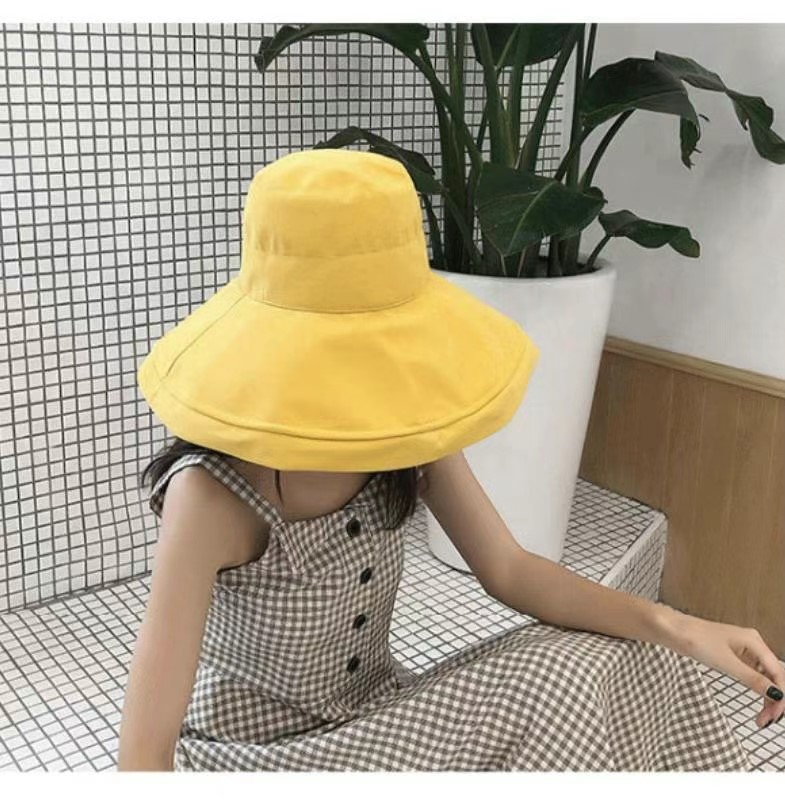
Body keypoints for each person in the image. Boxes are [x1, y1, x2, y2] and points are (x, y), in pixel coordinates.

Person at [118, 148, 782, 772]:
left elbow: (511, 570)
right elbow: (143, 752)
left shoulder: (404, 437)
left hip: (378, 722)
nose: (361, 372)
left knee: (642, 654)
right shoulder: (211, 495)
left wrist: (679, 625)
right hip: (261, 756)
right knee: (554, 681)